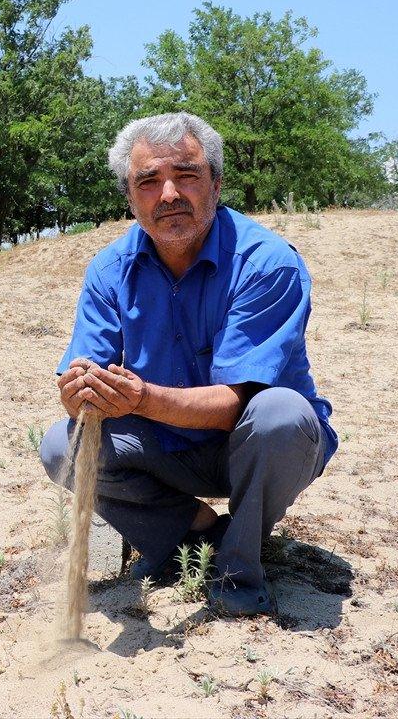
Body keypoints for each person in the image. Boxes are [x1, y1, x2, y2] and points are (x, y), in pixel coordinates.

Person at [37, 111, 337, 617]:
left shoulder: (267, 262)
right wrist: (81, 393)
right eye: (149, 181)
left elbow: (238, 405)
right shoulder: (110, 270)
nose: (169, 193)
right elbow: (86, 372)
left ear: (216, 184)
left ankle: (237, 571)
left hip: (256, 446)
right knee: (58, 444)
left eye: (187, 175)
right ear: (130, 198)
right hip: (167, 447)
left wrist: (143, 399)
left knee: (280, 413)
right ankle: (195, 533)